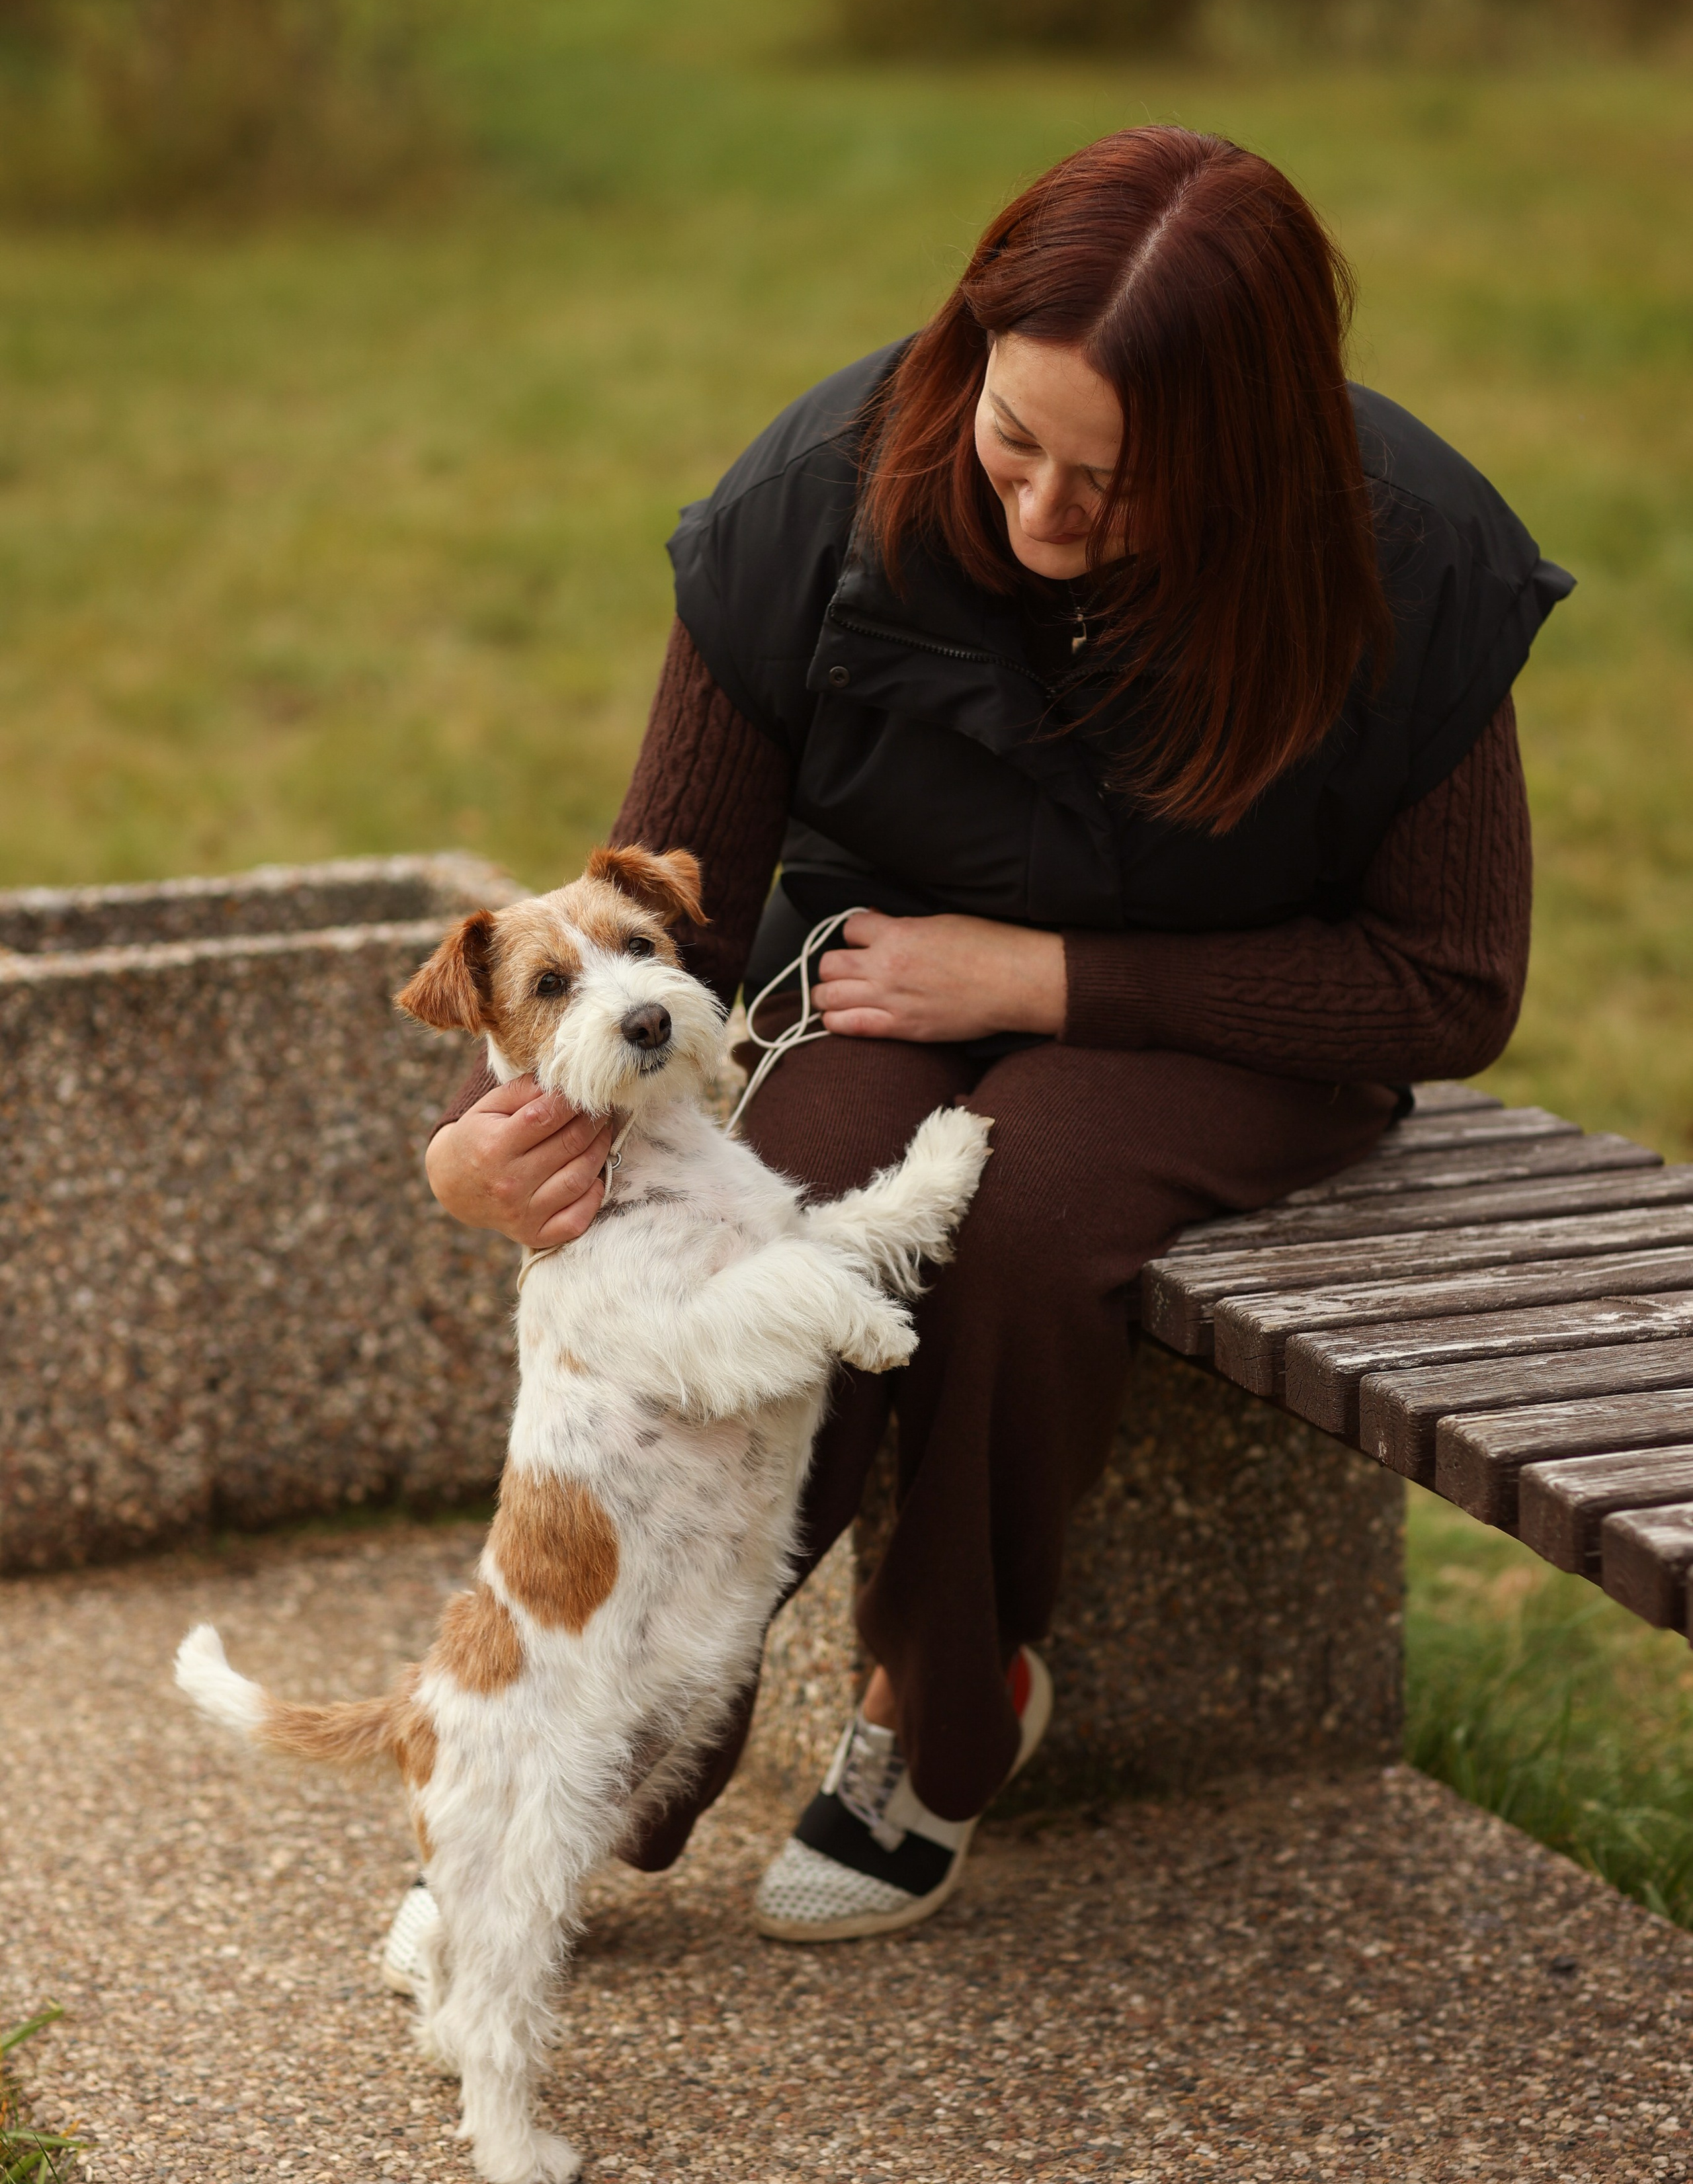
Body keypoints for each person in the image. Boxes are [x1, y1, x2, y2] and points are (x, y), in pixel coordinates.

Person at [384, 124, 1568, 1981]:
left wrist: (1050, 983)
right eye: (1016, 443)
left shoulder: (1408, 561)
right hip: (882, 973)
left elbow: (1445, 980)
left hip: (1238, 1017)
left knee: (1017, 1215)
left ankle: (944, 1712)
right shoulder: (814, 502)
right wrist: (489, 1135)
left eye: (1116, 483)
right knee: (793, 1215)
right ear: (966, 359)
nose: (1041, 514)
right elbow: (654, 915)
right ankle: (609, 1751)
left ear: (1256, 456)